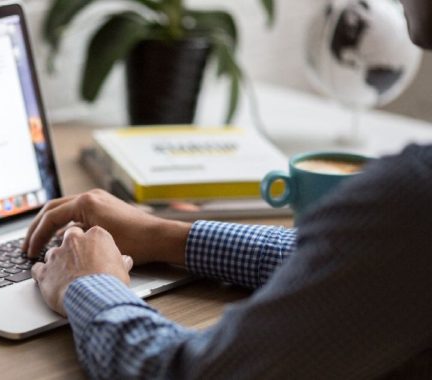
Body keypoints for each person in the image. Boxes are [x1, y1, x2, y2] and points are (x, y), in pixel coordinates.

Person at [24, 1, 432, 378]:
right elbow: (360, 262)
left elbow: (184, 371)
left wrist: (89, 285)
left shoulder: (412, 195)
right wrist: (166, 235)